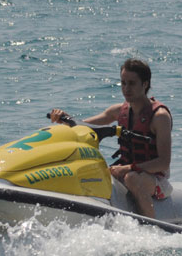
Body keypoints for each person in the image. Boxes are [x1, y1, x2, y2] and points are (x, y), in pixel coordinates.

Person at [50, 58, 171, 219]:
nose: (126, 89)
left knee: (132, 179)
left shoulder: (160, 116)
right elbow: (83, 125)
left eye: (132, 83)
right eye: (123, 83)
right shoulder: (119, 111)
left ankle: (151, 227)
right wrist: (64, 118)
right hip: (127, 170)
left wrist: (129, 168)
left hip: (155, 179)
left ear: (145, 84)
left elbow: (163, 163)